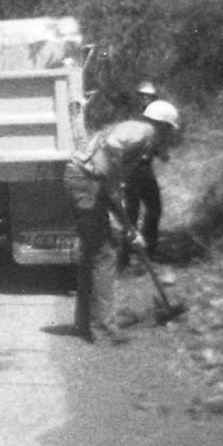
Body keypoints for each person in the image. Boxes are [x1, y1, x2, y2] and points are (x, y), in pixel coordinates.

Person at [63, 99, 182, 343]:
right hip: (86, 182)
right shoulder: (140, 133)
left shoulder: (140, 135)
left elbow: (110, 177)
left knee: (93, 252)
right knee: (104, 253)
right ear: (163, 127)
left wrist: (127, 225)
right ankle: (103, 328)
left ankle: (85, 322)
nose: (170, 138)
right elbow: (107, 166)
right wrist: (127, 224)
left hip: (85, 181)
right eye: (170, 131)